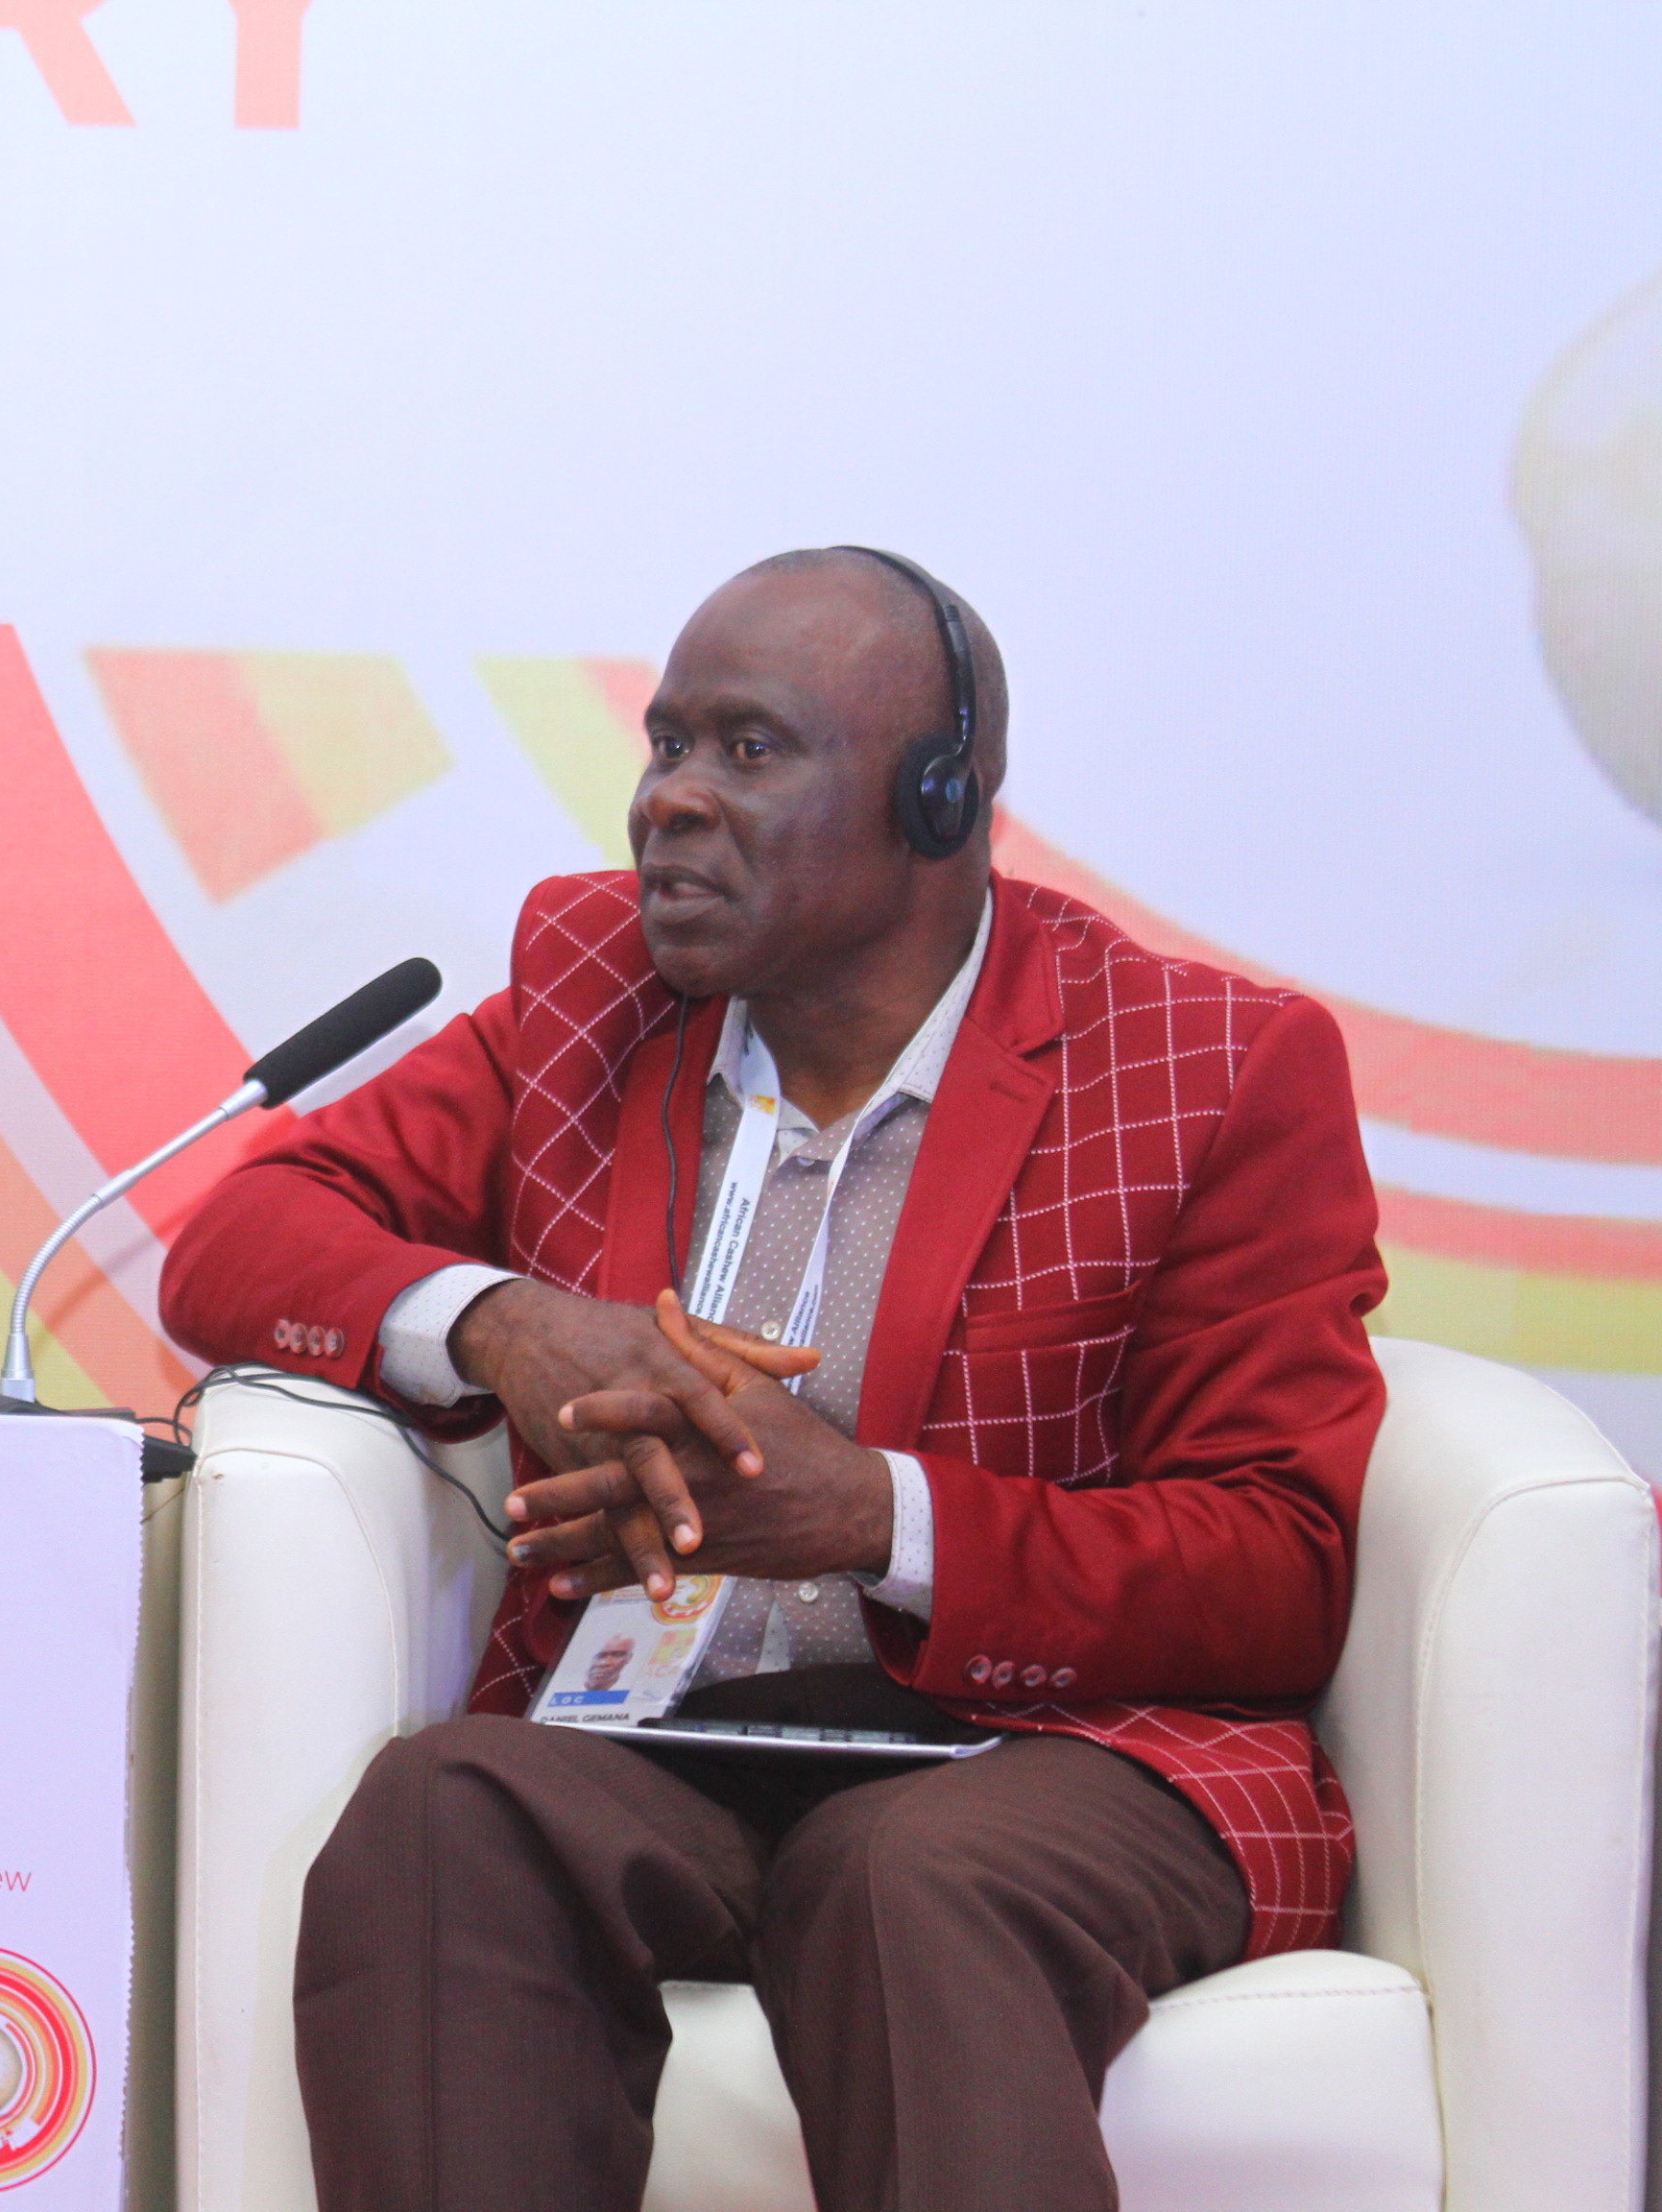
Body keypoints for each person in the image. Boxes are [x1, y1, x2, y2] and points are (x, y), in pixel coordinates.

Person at [159, 547, 1386, 2212]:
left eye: (749, 750)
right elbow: (237, 1242)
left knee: (907, 1877)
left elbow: (1277, 1566)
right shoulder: (595, 997)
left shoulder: (1203, 1067)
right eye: (667, 744)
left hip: (1056, 1752)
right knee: (446, 1808)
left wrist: (872, 1516)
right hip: (666, 1734)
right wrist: (510, 1324)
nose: (670, 800)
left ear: (940, 799)